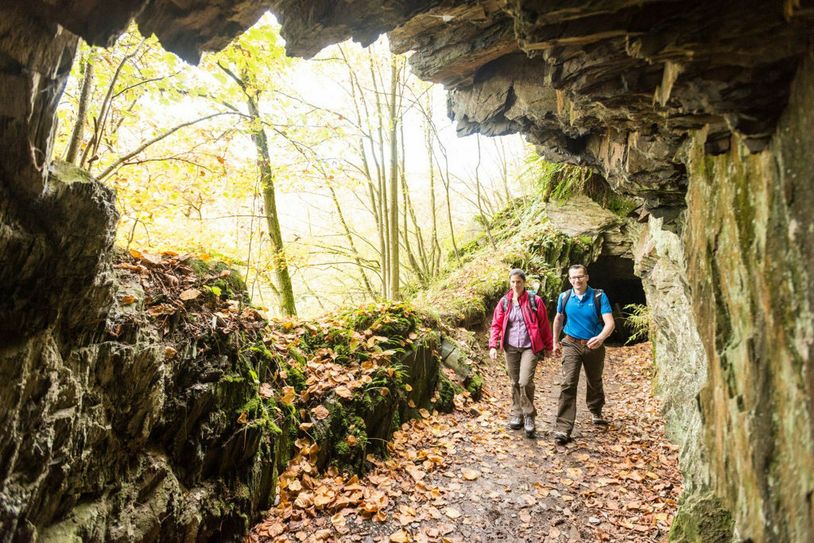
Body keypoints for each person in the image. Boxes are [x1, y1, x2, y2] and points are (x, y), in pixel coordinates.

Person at [551, 264, 615, 445]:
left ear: (587, 277)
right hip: (571, 344)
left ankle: (595, 410)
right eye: (573, 278)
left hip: (593, 345)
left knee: (594, 380)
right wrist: (555, 341)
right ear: (569, 279)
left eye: (580, 277)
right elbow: (559, 318)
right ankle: (563, 428)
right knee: (568, 383)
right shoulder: (564, 297)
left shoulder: (598, 296)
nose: (576, 281)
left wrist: (601, 338)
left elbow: (609, 323)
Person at [489, 269, 553, 438]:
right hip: (510, 347)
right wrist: (493, 345)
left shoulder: (535, 301)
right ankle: (517, 412)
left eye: (518, 282)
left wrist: (548, 347)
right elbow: (496, 324)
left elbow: (544, 325)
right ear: (509, 283)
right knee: (514, 382)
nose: (516, 285)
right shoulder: (505, 302)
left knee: (525, 381)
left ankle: (529, 416)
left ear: (524, 282)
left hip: (529, 347)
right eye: (513, 282)